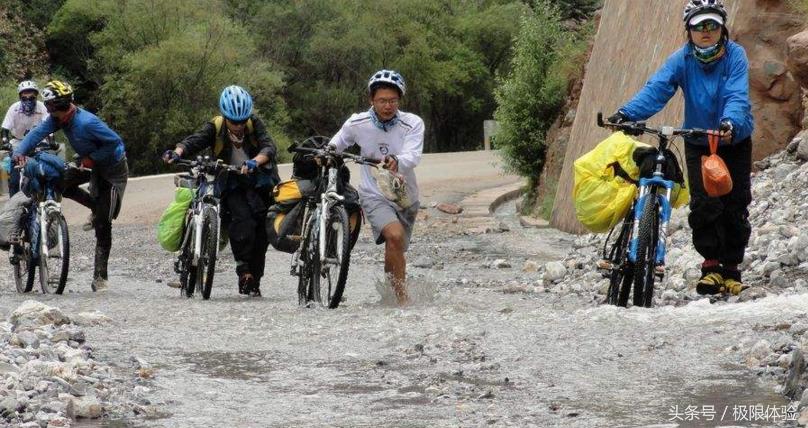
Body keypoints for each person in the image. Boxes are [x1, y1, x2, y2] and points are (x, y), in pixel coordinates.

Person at [608, 0, 754, 296]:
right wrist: (627, 114)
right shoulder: (681, 59)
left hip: (732, 139)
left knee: (735, 205)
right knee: (704, 205)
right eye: (698, 26)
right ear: (688, 30)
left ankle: (732, 269)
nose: (705, 31)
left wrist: (730, 122)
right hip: (698, 141)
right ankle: (711, 268)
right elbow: (658, 88)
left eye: (712, 25)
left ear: (722, 27)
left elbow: (736, 95)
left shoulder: (736, 56)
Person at [163, 85, 279, 297]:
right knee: (242, 220)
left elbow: (269, 148)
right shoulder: (216, 127)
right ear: (225, 117)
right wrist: (177, 152)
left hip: (259, 182)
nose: (238, 125)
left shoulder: (254, 125)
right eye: (234, 121)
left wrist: (254, 161)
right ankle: (243, 271)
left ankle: (254, 280)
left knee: (262, 230)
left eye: (243, 120)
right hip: (231, 183)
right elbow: (194, 141)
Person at [13, 80, 129, 291]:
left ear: (54, 106)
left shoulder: (87, 122)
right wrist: (19, 152)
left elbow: (116, 143)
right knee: (59, 181)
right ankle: (94, 207)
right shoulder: (59, 119)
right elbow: (36, 134)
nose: (48, 110)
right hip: (86, 162)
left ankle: (100, 277)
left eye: (49, 107)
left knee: (104, 222)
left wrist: (90, 160)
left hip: (112, 170)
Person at [328, 69, 424, 306]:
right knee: (394, 235)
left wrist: (397, 161)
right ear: (372, 100)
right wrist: (328, 152)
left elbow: (413, 154)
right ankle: (402, 301)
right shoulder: (357, 123)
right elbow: (337, 142)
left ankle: (389, 294)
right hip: (374, 194)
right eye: (382, 100)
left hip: (404, 196)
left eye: (393, 100)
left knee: (396, 246)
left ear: (399, 100)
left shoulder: (412, 123)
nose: (388, 106)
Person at [1, 80, 50, 195]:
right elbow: (5, 129)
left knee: (47, 169)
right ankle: (13, 203)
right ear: (20, 98)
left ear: (36, 97)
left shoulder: (42, 107)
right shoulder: (14, 108)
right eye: (24, 98)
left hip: (38, 142)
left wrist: (51, 141)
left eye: (31, 98)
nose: (28, 101)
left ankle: (49, 197)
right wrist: (5, 142)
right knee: (13, 178)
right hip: (18, 141)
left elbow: (49, 125)